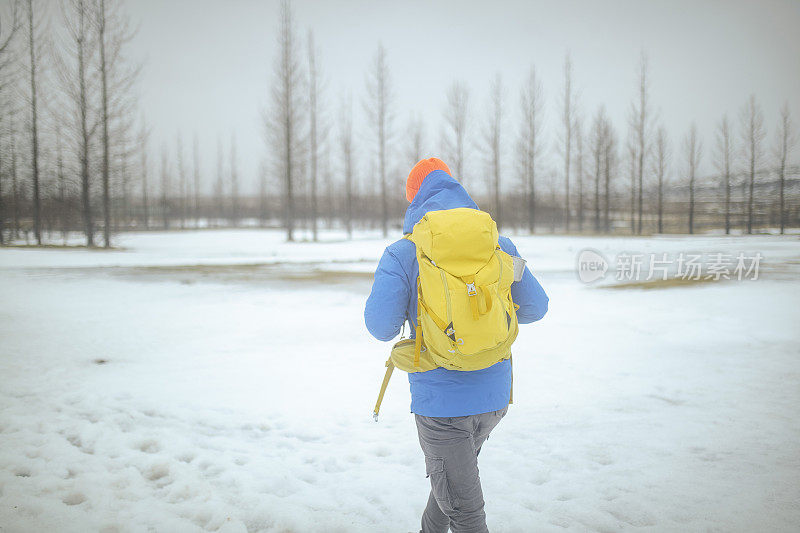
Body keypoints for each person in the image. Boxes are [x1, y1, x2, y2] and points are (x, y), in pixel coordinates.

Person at [364, 158, 549, 533]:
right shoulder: (499, 243)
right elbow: (536, 307)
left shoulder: (404, 252)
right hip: (495, 399)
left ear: (413, 199)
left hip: (442, 408)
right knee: (450, 484)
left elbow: (380, 327)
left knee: (466, 515)